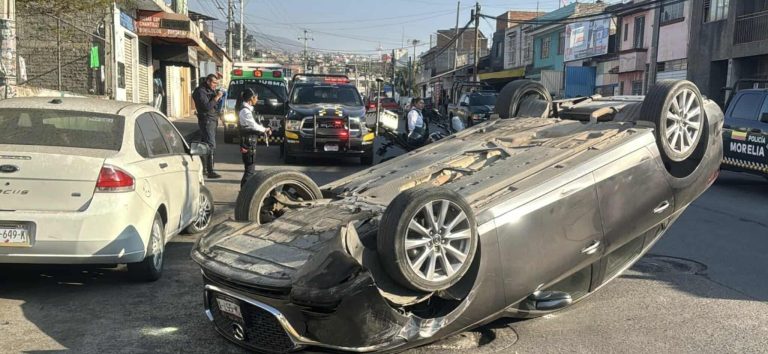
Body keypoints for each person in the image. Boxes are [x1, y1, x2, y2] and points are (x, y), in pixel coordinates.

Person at [237, 88, 271, 187]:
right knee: (249, 170)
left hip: (250, 141)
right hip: (247, 142)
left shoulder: (248, 110)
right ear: (251, 98)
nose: (257, 99)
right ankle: (244, 193)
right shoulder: (245, 111)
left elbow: (254, 125)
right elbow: (253, 125)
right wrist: (264, 130)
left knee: (250, 169)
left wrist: (264, 129)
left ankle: (244, 193)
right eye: (256, 97)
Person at [192, 74, 224, 179]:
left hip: (212, 119)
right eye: (214, 83)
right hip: (207, 120)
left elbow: (214, 106)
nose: (215, 85)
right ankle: (210, 171)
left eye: (216, 83)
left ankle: (203, 168)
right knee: (210, 145)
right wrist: (217, 97)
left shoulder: (210, 91)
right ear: (208, 81)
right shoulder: (200, 92)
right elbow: (206, 107)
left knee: (205, 144)